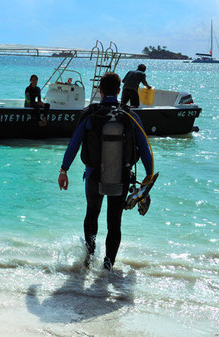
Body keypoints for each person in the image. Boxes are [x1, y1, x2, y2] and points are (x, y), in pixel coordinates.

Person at [58, 72, 153, 271]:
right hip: (122, 175)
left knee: (92, 215)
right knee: (114, 222)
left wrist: (64, 170)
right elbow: (145, 148)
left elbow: (74, 144)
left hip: (93, 175)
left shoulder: (90, 114)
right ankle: (108, 267)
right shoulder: (129, 115)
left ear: (100, 91)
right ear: (119, 91)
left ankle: (89, 259)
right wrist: (148, 177)